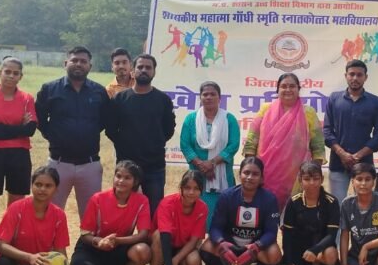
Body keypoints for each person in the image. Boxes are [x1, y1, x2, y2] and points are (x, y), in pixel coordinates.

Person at [35, 46, 113, 218]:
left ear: (89, 66)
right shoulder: (49, 89)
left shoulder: (99, 91)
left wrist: (87, 131)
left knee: (91, 217)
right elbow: (39, 118)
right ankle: (51, 246)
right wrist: (53, 135)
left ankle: (85, 246)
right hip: (58, 163)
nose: (79, 64)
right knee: (49, 213)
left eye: (83, 61)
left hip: (90, 165)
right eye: (74, 60)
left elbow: (105, 120)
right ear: (65, 63)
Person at [70, 160, 152, 265]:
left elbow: (143, 234)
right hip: (92, 248)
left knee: (143, 251)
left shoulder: (142, 201)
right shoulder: (98, 199)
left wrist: (117, 241)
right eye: (118, 176)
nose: (121, 181)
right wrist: (100, 241)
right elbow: (85, 234)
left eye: (127, 178)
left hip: (119, 247)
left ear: (135, 181)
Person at [200, 157, 283, 265]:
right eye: (246, 173)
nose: (250, 177)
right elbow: (215, 228)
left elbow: (271, 233)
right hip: (230, 243)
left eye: (255, 174)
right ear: (240, 175)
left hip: (255, 244)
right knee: (206, 248)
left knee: (274, 254)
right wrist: (221, 244)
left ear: (262, 178)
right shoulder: (226, 196)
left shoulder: (270, 199)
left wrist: (256, 247)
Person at [244, 73, 325, 210]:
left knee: (293, 214)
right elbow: (252, 140)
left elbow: (318, 147)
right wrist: (252, 170)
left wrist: (310, 175)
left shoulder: (308, 112)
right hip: (267, 173)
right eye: (284, 86)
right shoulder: (265, 109)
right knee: (266, 211)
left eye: (292, 86)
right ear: (277, 90)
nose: (288, 90)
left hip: (296, 177)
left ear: (298, 89)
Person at [108, 54, 176, 215]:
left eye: (148, 67)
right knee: (122, 211)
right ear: (133, 70)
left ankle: (150, 241)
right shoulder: (120, 99)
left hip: (154, 166)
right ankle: (126, 240)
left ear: (154, 72)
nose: (144, 70)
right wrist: (125, 144)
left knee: (154, 212)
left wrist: (153, 143)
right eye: (140, 67)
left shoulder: (163, 100)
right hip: (126, 166)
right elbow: (111, 129)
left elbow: (168, 129)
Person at [0, 56, 37, 219]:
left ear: (21, 76)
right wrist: (20, 128)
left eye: (16, 73)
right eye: (7, 72)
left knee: (16, 203)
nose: (11, 76)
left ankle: (8, 240)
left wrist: (1, 127)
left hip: (19, 153)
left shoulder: (27, 99)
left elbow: (30, 129)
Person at [322, 59, 378, 202]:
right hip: (338, 163)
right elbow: (326, 131)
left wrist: (357, 156)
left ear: (366, 77)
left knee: (364, 205)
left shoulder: (375, 102)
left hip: (364, 165)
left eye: (359, 75)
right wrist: (342, 154)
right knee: (337, 205)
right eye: (351, 74)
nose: (355, 78)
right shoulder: (334, 99)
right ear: (346, 76)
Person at [274, 162, 341, 265]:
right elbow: (287, 235)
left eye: (316, 179)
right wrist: (288, 262)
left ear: (322, 179)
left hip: (320, 251)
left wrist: (315, 250)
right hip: (299, 253)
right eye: (307, 179)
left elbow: (331, 236)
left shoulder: (331, 202)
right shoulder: (293, 202)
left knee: (330, 253)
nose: (312, 183)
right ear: (300, 180)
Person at [143, 170, 208, 265]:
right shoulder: (167, 203)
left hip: (182, 247)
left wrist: (175, 261)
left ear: (201, 191)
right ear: (181, 188)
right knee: (158, 235)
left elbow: (193, 241)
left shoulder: (202, 208)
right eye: (187, 188)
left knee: (194, 263)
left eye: (196, 189)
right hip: (163, 245)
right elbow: (165, 236)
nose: (191, 192)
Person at [179, 81, 240, 228]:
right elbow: (185, 144)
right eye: (205, 94)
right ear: (200, 98)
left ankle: (218, 244)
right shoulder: (191, 119)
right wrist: (201, 164)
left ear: (220, 98)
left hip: (222, 175)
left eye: (213, 94)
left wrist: (212, 163)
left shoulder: (229, 119)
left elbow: (233, 145)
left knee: (221, 215)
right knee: (196, 214)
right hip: (196, 176)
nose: (209, 97)